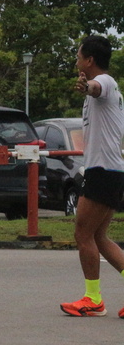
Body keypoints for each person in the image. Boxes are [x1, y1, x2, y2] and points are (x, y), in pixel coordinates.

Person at [61, 35, 124, 317]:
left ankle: (93, 300)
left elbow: (96, 88)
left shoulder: (105, 83)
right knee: (98, 236)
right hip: (109, 170)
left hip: (103, 171)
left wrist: (88, 86)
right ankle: (93, 298)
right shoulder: (108, 90)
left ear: (89, 60)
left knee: (82, 233)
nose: (76, 61)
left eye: (78, 57)